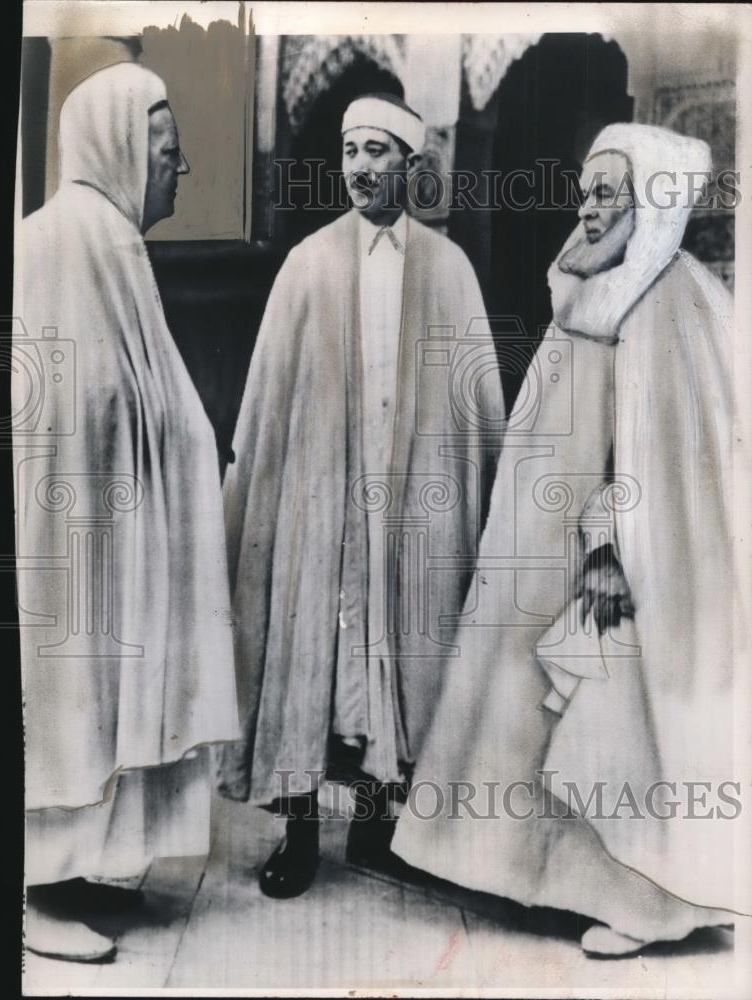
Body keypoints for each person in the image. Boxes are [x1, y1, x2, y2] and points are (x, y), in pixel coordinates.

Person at [391, 123, 746, 956]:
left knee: (612, 715)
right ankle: (534, 875)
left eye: (606, 195)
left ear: (650, 201)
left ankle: (645, 901)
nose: (587, 211)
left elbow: (657, 452)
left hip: (609, 556)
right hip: (545, 541)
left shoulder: (668, 299)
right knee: (526, 708)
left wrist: (608, 547)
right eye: (583, 193)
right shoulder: (588, 283)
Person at [218, 93, 504, 897]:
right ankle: (301, 834)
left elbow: (476, 408)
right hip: (322, 502)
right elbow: (267, 401)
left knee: (403, 655)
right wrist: (259, 498)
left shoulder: (448, 270)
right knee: (311, 655)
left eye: (378, 151)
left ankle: (377, 832)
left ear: (412, 167)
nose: (360, 168)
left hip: (413, 506)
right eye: (350, 152)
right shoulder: (306, 262)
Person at [14, 62, 240, 963]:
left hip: (101, 528)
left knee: (95, 700)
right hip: (69, 535)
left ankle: (69, 873)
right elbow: (68, 408)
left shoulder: (99, 237)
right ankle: (33, 896)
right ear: (116, 141)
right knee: (67, 699)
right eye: (167, 149)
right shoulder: (71, 241)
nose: (178, 170)